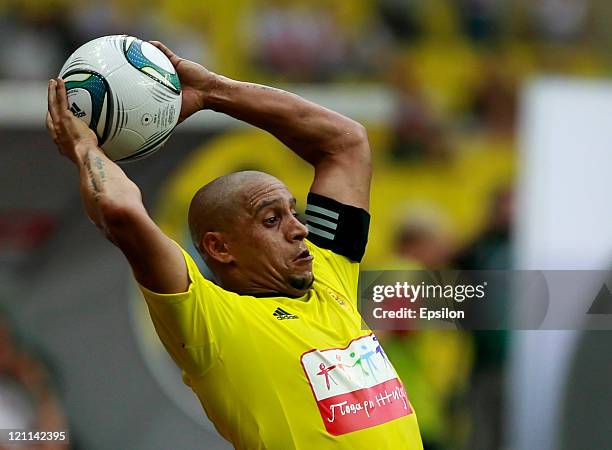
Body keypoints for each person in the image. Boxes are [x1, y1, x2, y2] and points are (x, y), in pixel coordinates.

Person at [45, 41, 423, 449]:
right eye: (272, 219)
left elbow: (346, 142)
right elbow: (121, 214)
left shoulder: (330, 276)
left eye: (294, 213)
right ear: (219, 248)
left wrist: (213, 92)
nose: (300, 230)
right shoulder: (207, 321)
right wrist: (84, 146)